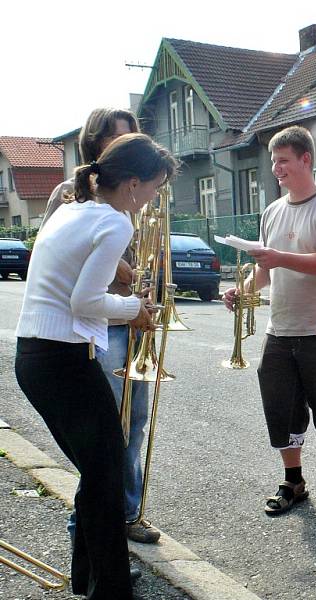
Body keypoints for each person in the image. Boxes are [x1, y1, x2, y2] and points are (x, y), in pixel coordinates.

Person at [15, 133, 177, 599]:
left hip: (38, 358)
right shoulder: (114, 223)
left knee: (98, 471)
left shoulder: (72, 208)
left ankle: (87, 581)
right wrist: (134, 310)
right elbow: (84, 300)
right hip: (62, 360)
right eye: (154, 188)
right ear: (131, 184)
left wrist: (125, 293)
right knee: (105, 477)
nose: (151, 199)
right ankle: (108, 590)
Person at [223, 125, 316, 517]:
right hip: (280, 328)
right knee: (281, 406)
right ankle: (293, 479)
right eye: (273, 162)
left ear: (305, 160)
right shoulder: (272, 211)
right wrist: (244, 290)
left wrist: (279, 257)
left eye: (283, 161)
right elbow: (265, 273)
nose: (276, 169)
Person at [42, 108, 162, 545]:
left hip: (131, 318)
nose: (126, 145)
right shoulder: (70, 194)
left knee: (136, 422)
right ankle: (92, 526)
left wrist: (151, 290)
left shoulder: (138, 194)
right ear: (96, 145)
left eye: (131, 137)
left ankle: (127, 512)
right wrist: (131, 276)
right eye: (116, 139)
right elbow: (67, 265)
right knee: (106, 432)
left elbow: (151, 252)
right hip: (98, 322)